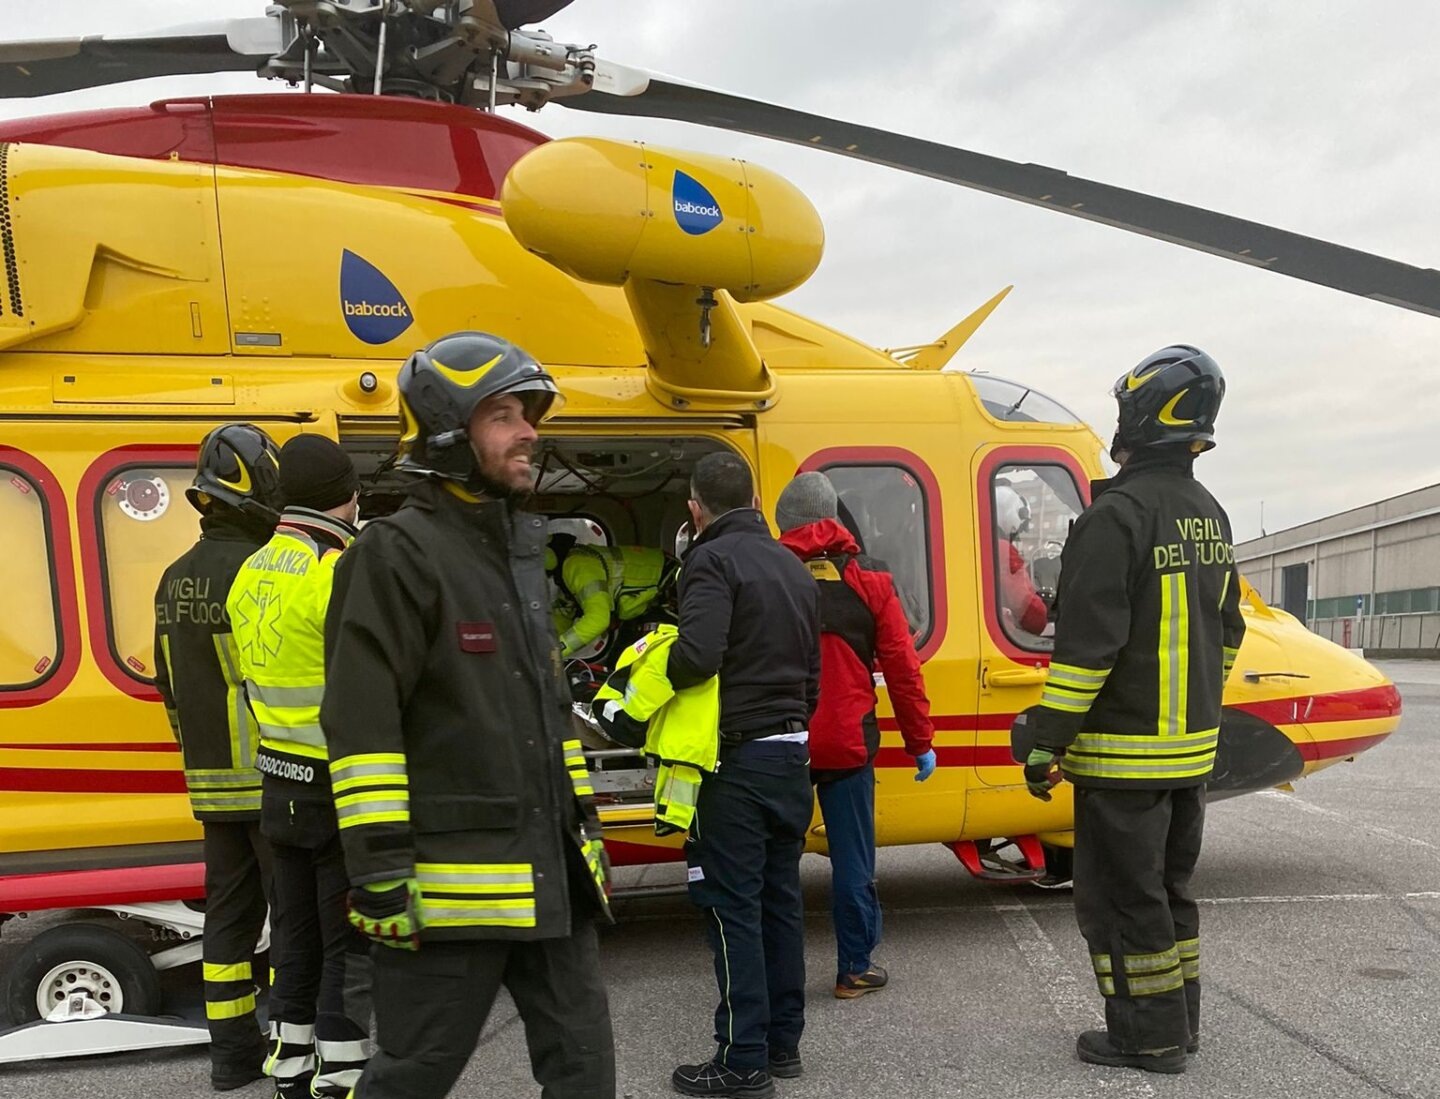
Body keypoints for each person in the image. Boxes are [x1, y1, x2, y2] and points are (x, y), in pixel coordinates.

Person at [320, 331, 615, 1099]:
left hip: (555, 886)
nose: (529, 433)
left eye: (529, 415)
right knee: (409, 1082)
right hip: (448, 898)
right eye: (504, 415)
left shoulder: (518, 555)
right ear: (449, 431)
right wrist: (381, 876)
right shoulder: (395, 555)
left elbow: (547, 719)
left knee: (587, 1078)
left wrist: (583, 828)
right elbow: (361, 731)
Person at [1016, 345, 1245, 1074]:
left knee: (1123, 899)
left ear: (1140, 417)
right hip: (1189, 756)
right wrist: (1195, 708)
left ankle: (1145, 1037)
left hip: (1123, 759)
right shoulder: (1209, 513)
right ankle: (1181, 1023)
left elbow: (1085, 654)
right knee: (1172, 894)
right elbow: (1229, 630)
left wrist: (1046, 741)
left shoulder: (1114, 517)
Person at [666, 452, 820, 1099]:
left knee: (733, 908)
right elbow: (813, 670)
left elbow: (697, 656)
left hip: (737, 760)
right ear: (756, 502)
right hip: (792, 754)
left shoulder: (710, 559)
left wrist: (657, 662)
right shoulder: (793, 564)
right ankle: (782, 1043)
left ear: (696, 510)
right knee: (780, 902)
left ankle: (742, 1058)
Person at [226, 435, 370, 1098]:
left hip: (276, 780)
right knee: (344, 939)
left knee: (295, 931)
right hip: (334, 784)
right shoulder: (335, 567)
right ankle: (341, 1073)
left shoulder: (250, 568)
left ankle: (290, 1062)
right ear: (346, 494)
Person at [153, 423, 281, 1091]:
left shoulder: (172, 579)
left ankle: (233, 1054)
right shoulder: (256, 573)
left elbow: (166, 687)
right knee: (294, 919)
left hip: (209, 786)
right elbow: (275, 679)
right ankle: (299, 1046)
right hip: (268, 781)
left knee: (229, 923)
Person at [774, 472, 937, 999]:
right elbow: (903, 668)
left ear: (785, 523)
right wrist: (920, 742)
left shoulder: (767, 574)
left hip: (780, 742)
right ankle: (854, 969)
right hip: (846, 743)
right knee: (852, 860)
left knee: (775, 863)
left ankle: (777, 977)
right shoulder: (870, 578)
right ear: (835, 517)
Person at [548, 537, 679, 657]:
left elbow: (598, 619)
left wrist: (554, 653)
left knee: (642, 662)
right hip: (649, 601)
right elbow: (564, 616)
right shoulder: (563, 575)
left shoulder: (576, 565)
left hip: (671, 588)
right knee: (619, 661)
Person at [995, 482, 1049, 636]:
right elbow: (1031, 614)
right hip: (1005, 636)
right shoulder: (1003, 551)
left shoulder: (979, 544)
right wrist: (1043, 611)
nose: (1017, 535)